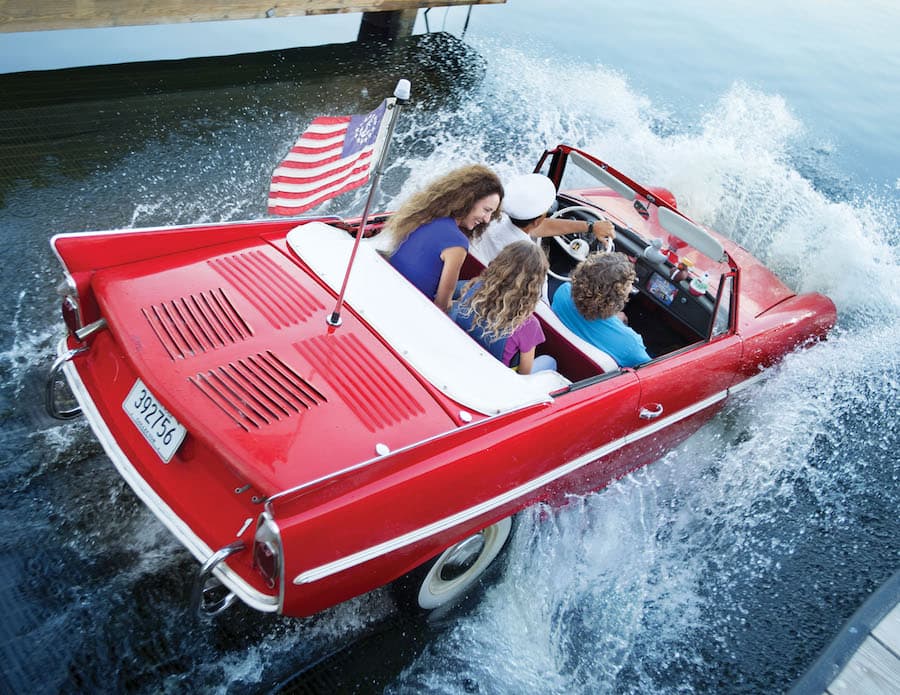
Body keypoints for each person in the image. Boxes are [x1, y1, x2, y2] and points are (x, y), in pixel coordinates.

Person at [387, 165, 503, 311]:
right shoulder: (457, 245)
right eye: (486, 210)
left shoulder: (424, 215)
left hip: (391, 286)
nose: (487, 219)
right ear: (469, 200)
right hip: (413, 307)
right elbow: (442, 304)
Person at [451, 241, 556, 375]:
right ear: (535, 284)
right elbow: (525, 374)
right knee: (549, 361)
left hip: (461, 353)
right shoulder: (529, 324)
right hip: (492, 375)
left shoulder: (476, 287)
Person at [469, 172, 616, 266]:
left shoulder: (487, 220)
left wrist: (590, 226)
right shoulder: (531, 260)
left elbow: (538, 227)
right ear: (537, 220)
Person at [551, 251, 651, 368]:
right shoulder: (631, 344)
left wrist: (615, 321)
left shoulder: (563, 292)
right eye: (629, 286)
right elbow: (651, 371)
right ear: (618, 298)